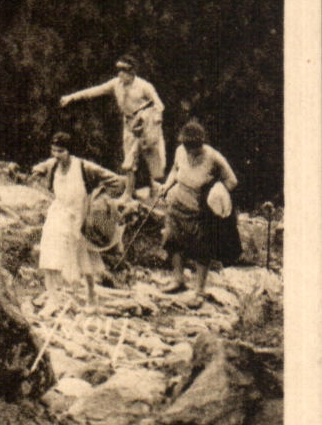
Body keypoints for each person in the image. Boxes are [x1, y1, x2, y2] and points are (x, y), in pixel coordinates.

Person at [30, 132, 127, 305]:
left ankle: (91, 293)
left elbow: (116, 181)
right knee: (50, 251)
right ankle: (52, 297)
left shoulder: (84, 167)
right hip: (58, 212)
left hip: (79, 216)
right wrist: (38, 170)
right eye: (54, 151)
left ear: (69, 151)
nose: (57, 155)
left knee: (84, 256)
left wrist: (101, 199)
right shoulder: (53, 165)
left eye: (61, 151)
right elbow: (43, 166)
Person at [155, 119, 240, 301]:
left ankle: (199, 291)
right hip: (177, 204)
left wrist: (217, 191)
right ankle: (178, 280)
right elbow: (174, 171)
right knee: (172, 240)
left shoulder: (213, 157)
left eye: (192, 146)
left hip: (199, 210)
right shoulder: (180, 151)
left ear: (200, 143)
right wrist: (167, 185)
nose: (188, 150)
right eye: (186, 145)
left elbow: (232, 181)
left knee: (202, 249)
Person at [59, 55, 165, 200]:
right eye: (119, 70)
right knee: (129, 159)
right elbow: (95, 91)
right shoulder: (116, 84)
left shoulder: (144, 86)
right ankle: (128, 193)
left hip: (146, 124)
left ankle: (156, 191)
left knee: (152, 158)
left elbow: (159, 105)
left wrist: (149, 118)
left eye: (125, 70)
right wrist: (71, 97)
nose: (121, 74)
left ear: (132, 71)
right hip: (129, 124)